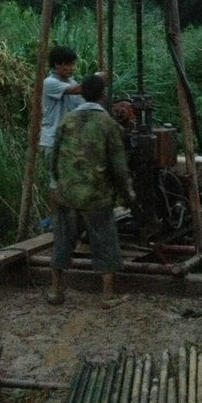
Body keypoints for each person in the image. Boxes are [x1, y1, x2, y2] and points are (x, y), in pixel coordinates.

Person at [47, 73, 136, 306]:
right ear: (102, 96)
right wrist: (128, 196)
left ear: (82, 93)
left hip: (68, 194)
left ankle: (56, 291)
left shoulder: (67, 120)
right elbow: (119, 166)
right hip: (96, 196)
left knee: (63, 240)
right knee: (105, 241)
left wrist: (60, 184)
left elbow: (54, 158)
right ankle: (107, 296)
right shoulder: (108, 124)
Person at [39, 45, 85, 184]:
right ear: (57, 65)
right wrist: (96, 80)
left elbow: (82, 105)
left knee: (72, 183)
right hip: (53, 141)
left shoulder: (73, 82)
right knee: (57, 184)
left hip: (70, 140)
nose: (72, 67)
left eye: (73, 63)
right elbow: (75, 90)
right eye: (68, 64)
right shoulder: (49, 83)